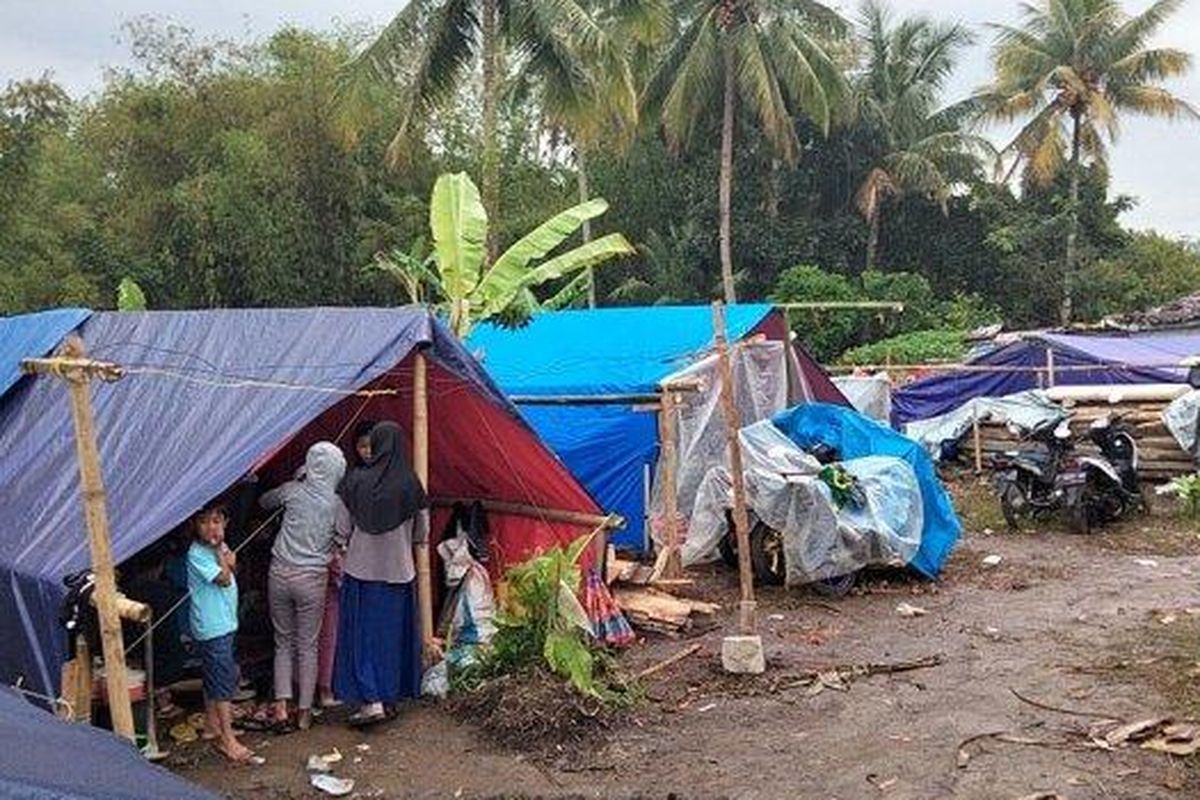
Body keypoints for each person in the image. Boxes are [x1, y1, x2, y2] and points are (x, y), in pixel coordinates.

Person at [333, 421, 428, 726]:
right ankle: (389, 698)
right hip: (399, 573)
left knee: (363, 639)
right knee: (392, 639)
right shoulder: (411, 484)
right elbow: (421, 533)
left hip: (361, 572)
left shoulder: (355, 481)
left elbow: (341, 528)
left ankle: (370, 701)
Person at [260, 441, 347, 731]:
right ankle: (305, 711)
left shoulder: (292, 491)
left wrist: (296, 482)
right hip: (312, 578)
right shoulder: (337, 504)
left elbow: (264, 501)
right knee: (308, 645)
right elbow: (343, 536)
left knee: (283, 642)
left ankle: (282, 706)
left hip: (279, 572)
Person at [314, 420, 377, 709]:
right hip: (349, 559)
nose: (368, 451)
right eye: (362, 446)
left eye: (372, 445)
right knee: (340, 627)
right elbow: (342, 529)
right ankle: (337, 685)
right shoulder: (350, 484)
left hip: (374, 562)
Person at [186, 502, 252, 762]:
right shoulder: (198, 553)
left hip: (223, 622)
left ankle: (212, 725)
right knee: (223, 681)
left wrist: (226, 557)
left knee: (214, 675)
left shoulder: (218, 547)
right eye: (204, 522)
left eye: (216, 521)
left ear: (225, 522)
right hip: (212, 625)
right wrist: (222, 556)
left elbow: (232, 567)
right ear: (195, 526)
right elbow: (224, 578)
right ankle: (228, 739)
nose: (211, 527)